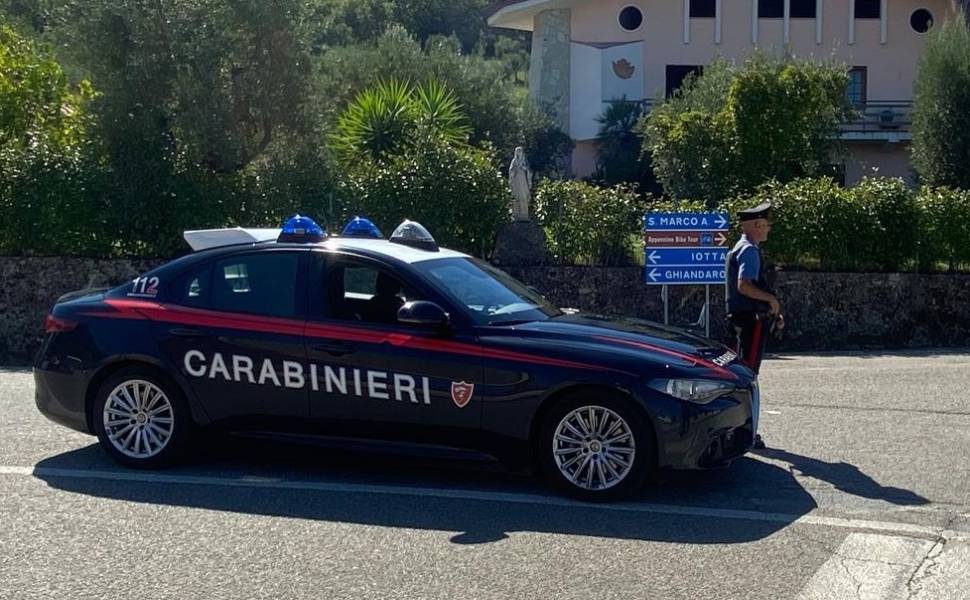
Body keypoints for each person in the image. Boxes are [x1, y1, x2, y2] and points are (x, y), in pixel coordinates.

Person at [725, 201, 784, 450]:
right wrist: (771, 300)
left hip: (744, 320)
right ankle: (746, 431)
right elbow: (745, 285)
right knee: (748, 376)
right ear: (758, 225)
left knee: (742, 373)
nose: (768, 228)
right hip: (751, 321)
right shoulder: (749, 251)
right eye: (767, 224)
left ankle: (740, 428)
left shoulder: (741, 248)